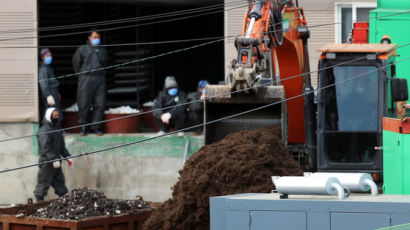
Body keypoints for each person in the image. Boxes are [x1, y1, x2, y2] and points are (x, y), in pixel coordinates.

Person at [72, 28, 108, 136]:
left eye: (98, 37)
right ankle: (83, 127)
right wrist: (81, 75)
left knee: (99, 103)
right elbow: (76, 63)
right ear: (89, 38)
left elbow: (105, 62)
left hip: (100, 78)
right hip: (86, 78)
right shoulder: (82, 49)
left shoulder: (102, 50)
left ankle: (96, 127)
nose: (97, 39)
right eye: (94, 37)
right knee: (84, 102)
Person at [34, 107, 72, 202]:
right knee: (43, 183)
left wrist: (67, 156)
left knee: (60, 184)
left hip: (56, 162)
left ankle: (65, 203)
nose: (56, 117)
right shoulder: (44, 130)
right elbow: (46, 146)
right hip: (47, 162)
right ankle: (39, 203)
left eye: (57, 115)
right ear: (49, 116)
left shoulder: (57, 129)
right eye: (54, 116)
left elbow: (62, 146)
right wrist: (53, 158)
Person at [39, 48, 62, 122]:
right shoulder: (43, 69)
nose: (50, 57)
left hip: (54, 92)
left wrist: (57, 93)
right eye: (47, 56)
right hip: (50, 93)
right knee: (50, 112)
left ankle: (57, 129)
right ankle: (47, 129)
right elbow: (43, 83)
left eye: (50, 55)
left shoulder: (49, 67)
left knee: (56, 111)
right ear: (43, 57)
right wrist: (48, 95)